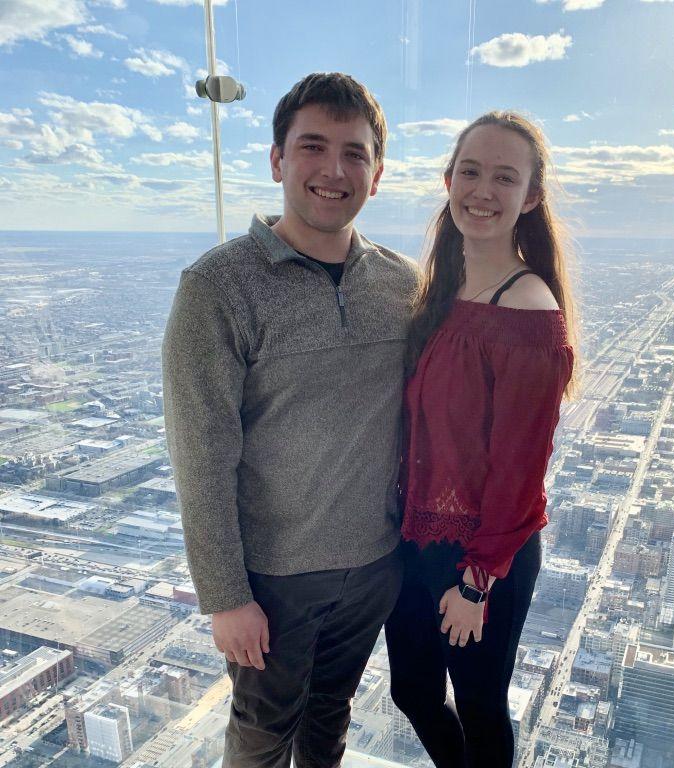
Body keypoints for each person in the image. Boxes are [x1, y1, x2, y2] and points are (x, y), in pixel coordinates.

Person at [161, 73, 420, 768]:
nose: (334, 170)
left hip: (374, 565)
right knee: (262, 736)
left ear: (377, 175)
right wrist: (225, 597)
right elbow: (201, 456)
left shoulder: (403, 286)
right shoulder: (218, 287)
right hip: (273, 580)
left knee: (328, 721)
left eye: (355, 153)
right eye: (313, 146)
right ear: (278, 160)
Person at [385, 111, 578, 768]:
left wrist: (476, 584)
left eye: (504, 177)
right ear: (448, 181)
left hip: (483, 553)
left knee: (480, 709)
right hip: (417, 537)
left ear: (531, 196)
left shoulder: (529, 311)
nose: (483, 191)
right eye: (470, 171)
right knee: (412, 691)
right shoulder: (442, 289)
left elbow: (519, 472)